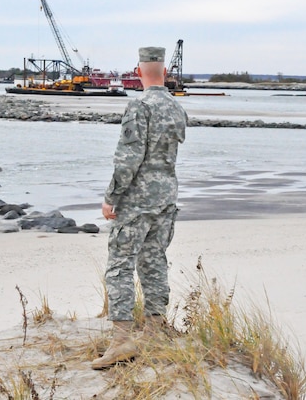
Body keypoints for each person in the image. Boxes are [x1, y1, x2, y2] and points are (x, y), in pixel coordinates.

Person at [92, 46, 188, 370]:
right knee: (154, 261)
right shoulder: (176, 108)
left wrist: (111, 197)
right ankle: (157, 329)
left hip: (137, 201)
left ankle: (121, 341)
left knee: (119, 265)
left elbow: (128, 158)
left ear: (137, 72)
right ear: (164, 72)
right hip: (166, 198)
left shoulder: (139, 106)